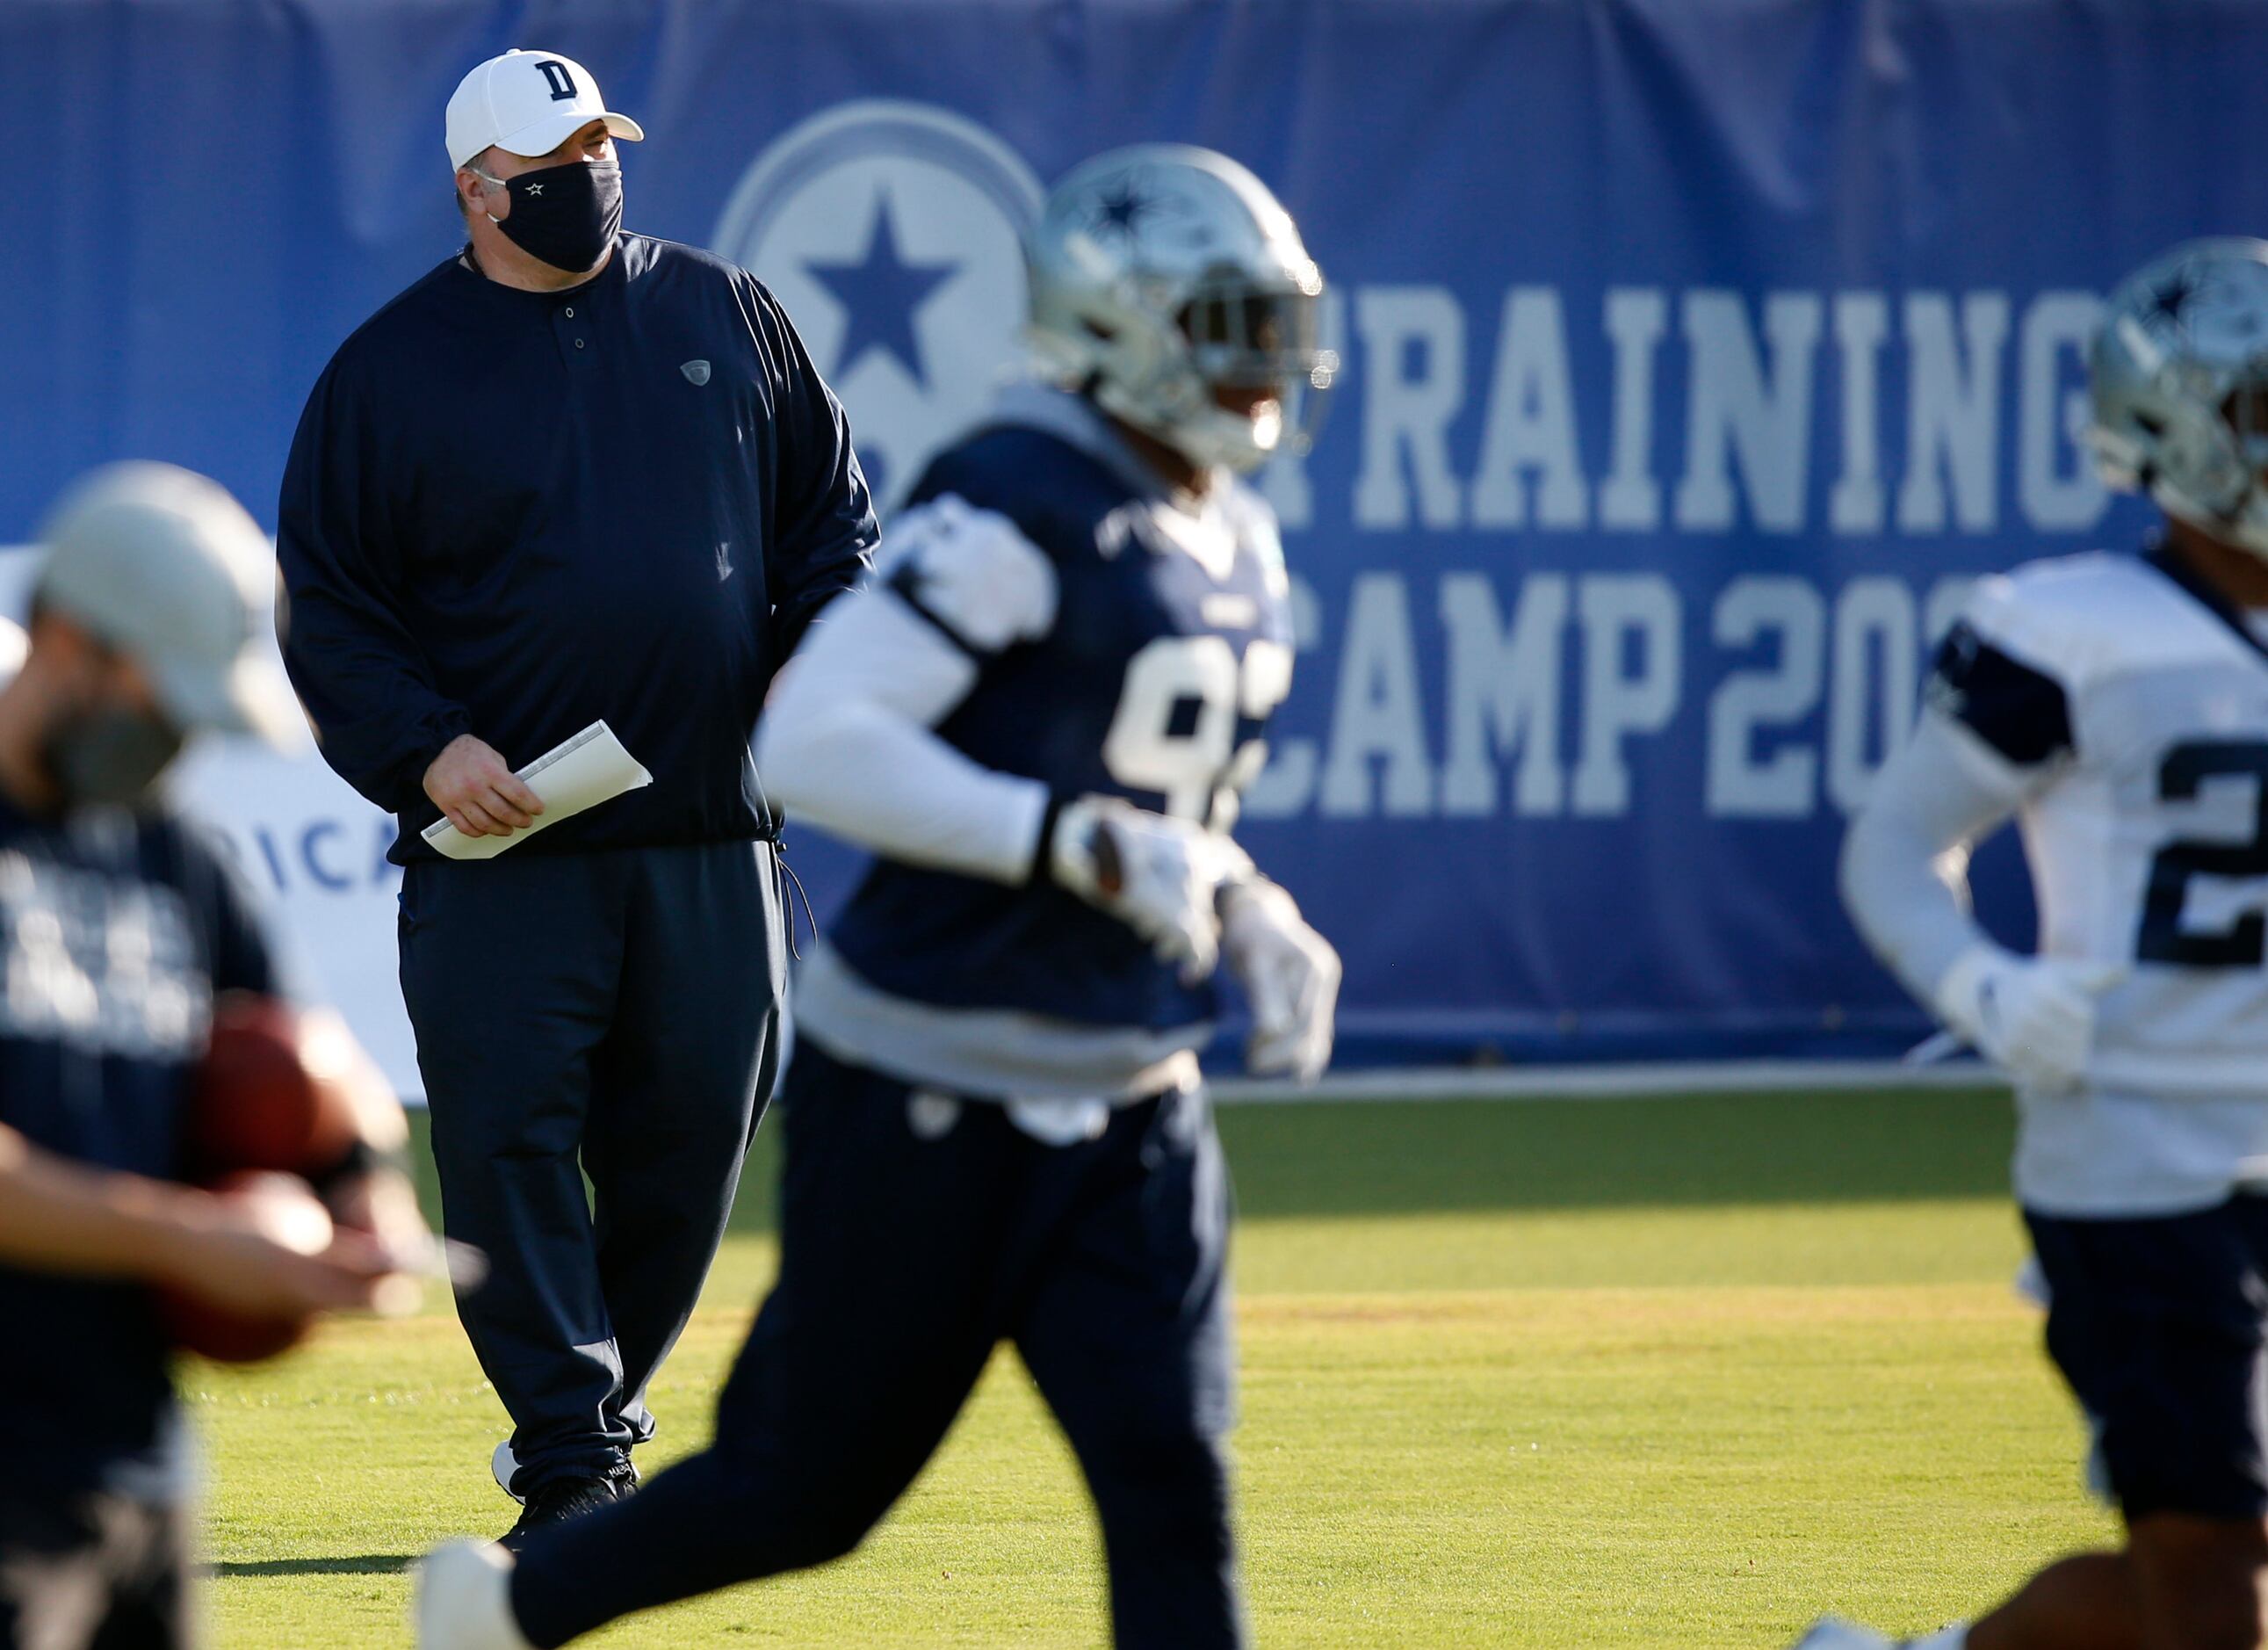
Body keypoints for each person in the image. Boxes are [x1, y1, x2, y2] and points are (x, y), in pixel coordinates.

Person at [413, 144, 1342, 1649]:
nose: (1263, 372)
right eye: (1225, 327)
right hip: (932, 1084)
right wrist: (1078, 847)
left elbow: (1150, 807)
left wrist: (1236, 900)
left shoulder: (1232, 533)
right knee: (803, 1489)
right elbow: (820, 738)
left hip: (1126, 1092)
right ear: (1121, 326)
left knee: (1174, 1488)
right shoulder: (1021, 497)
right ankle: (511, 1612)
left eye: (1272, 328)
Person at [276, 47, 877, 1546]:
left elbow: (831, 531)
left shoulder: (724, 313)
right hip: (504, 842)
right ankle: (569, 1457)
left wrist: (815, 673)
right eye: (552, 164)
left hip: (711, 829)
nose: (588, 180)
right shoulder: (390, 369)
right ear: (479, 192)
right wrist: (425, 748)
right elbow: (332, 605)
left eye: (601, 149)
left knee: (694, 1137)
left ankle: (590, 1414)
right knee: (507, 1139)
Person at [1806, 239, 2268, 1650]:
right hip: (2139, 1160)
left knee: (2191, 1584)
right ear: (2172, 428)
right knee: (2209, 1568)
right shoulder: (2069, 629)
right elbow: (1892, 848)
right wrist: (1981, 986)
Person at [0, 462, 424, 1650]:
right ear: (70, 640)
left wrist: (360, 1193)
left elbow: (302, 1059)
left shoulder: (172, 848)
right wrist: (189, 1237)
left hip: (137, 1469)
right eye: (160, 691)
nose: (178, 732)